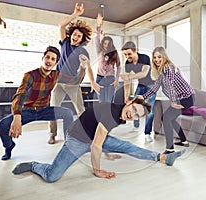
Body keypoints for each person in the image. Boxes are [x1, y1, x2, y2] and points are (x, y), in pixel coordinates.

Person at [12, 99, 186, 181]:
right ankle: (34, 165)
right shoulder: (111, 112)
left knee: (126, 146)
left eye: (137, 115)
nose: (131, 114)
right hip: (77, 139)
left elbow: (100, 136)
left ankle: (163, 157)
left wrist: (107, 150)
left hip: (93, 134)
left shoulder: (121, 114)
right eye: (133, 108)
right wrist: (98, 170)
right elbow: (96, 145)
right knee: (52, 176)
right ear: (129, 101)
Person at [0, 46, 74, 161]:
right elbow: (20, 95)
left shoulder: (55, 75)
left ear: (56, 63)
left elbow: (75, 80)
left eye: (53, 59)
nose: (49, 61)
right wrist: (17, 116)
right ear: (43, 58)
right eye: (47, 57)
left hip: (44, 110)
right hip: (28, 111)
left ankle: (69, 146)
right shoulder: (30, 75)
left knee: (68, 113)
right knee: (1, 125)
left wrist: (83, 68)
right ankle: (9, 147)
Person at [49, 3, 101, 144]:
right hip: (58, 82)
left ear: (81, 39)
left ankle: (84, 133)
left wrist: (92, 82)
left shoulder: (82, 52)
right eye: (74, 34)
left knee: (81, 110)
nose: (75, 37)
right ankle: (52, 134)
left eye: (78, 36)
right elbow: (61, 25)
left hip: (73, 84)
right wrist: (75, 14)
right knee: (53, 110)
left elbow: (88, 67)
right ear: (70, 34)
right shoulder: (64, 43)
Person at [137, 47, 195, 154]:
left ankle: (170, 149)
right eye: (154, 57)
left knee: (167, 118)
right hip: (184, 98)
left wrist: (173, 102)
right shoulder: (162, 72)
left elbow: (170, 85)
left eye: (159, 57)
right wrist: (143, 96)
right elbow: (155, 87)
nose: (156, 59)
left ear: (164, 57)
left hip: (187, 98)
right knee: (169, 118)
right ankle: (184, 141)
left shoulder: (168, 68)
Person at [120, 41, 156, 143]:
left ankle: (147, 133)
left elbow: (143, 74)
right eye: (125, 55)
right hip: (141, 85)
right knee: (133, 105)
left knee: (150, 110)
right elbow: (127, 81)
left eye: (129, 54)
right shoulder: (128, 63)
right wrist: (126, 96)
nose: (127, 56)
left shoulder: (144, 58)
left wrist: (129, 76)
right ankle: (136, 126)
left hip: (151, 86)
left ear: (135, 51)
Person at [95, 13, 121, 103]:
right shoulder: (100, 51)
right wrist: (99, 25)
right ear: (103, 44)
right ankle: (102, 117)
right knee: (101, 101)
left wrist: (117, 80)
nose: (106, 45)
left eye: (108, 44)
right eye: (105, 43)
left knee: (110, 102)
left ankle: (109, 117)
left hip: (110, 79)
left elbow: (119, 66)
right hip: (100, 78)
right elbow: (97, 38)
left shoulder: (114, 53)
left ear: (111, 44)